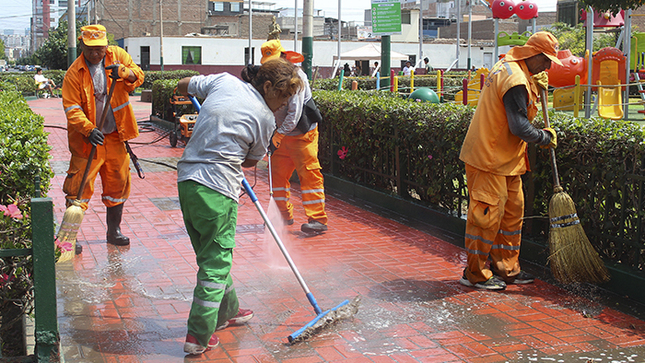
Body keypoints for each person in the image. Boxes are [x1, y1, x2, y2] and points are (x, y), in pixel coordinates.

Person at [176, 59, 303, 355]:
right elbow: (249, 161)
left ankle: (228, 310)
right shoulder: (265, 118)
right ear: (268, 86)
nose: (284, 103)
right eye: (283, 95)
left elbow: (185, 85)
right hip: (217, 190)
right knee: (216, 262)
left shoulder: (223, 82)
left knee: (210, 254)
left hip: (187, 182)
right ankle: (198, 335)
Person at [458, 31, 561, 290]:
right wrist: (544, 137)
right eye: (546, 60)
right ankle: (475, 274)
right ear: (534, 55)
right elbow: (519, 126)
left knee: (512, 216)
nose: (548, 66)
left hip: (507, 160)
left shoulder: (514, 68)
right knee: (486, 219)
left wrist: (536, 85)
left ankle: (507, 269)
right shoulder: (515, 79)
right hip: (488, 159)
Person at [61, 24, 144, 253]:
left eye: (99, 48)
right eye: (90, 49)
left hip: (116, 136)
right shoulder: (74, 73)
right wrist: (88, 129)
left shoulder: (117, 56)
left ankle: (113, 232)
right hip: (88, 142)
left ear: (106, 45)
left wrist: (125, 73)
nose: (96, 54)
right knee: (79, 188)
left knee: (118, 184)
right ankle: (70, 237)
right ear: (82, 46)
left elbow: (139, 76)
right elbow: (72, 108)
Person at [261, 39, 329, 233]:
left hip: (302, 136)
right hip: (280, 135)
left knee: (309, 174)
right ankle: (283, 215)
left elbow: (295, 113)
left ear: (284, 56)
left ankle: (317, 220)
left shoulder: (296, 76)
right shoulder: (269, 77)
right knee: (277, 176)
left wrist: (278, 134)